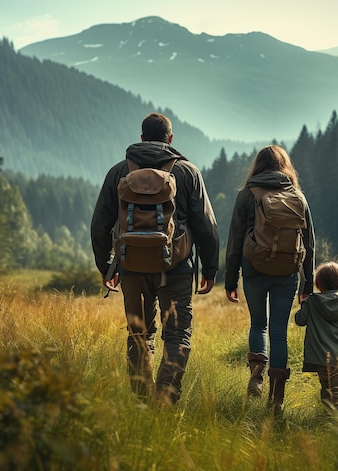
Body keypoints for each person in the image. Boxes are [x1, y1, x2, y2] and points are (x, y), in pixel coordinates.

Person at [91, 112, 219, 406]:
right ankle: (165, 396)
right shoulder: (187, 172)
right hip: (176, 267)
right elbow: (206, 226)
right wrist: (210, 270)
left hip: (132, 267)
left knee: (139, 334)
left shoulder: (119, 171)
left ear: (142, 138)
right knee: (177, 334)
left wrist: (106, 265)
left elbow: (100, 224)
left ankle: (141, 402)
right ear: (170, 139)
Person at [225, 144, 315, 413]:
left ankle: (256, 377)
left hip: (254, 269)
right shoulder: (297, 196)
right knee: (279, 333)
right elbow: (309, 243)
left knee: (258, 325)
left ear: (257, 167)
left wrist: (230, 281)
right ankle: (277, 399)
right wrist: (308, 282)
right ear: (285, 167)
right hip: (287, 272)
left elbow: (235, 241)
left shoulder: (247, 195)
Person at [294, 261, 338, 411]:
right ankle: (335, 419)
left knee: (326, 390)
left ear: (318, 283)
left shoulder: (311, 302)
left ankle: (331, 418)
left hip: (321, 357)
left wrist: (303, 303)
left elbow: (299, 320)